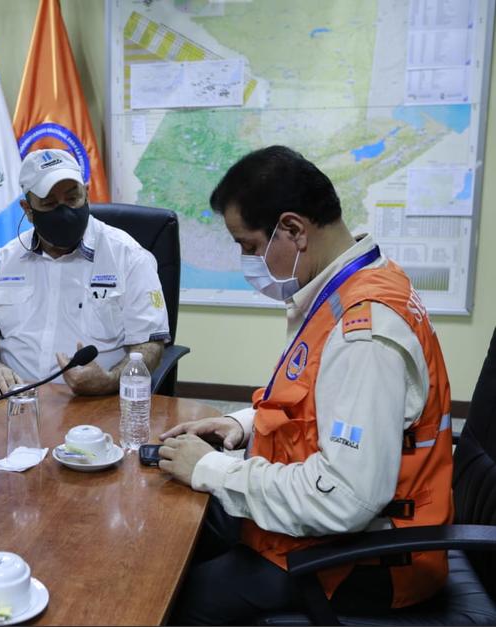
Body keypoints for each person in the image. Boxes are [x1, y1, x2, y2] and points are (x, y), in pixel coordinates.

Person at [158, 146, 453, 623]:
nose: (246, 260)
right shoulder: (351, 286)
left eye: (249, 246)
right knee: (179, 531)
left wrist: (211, 469)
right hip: (336, 534)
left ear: (293, 230)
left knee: (174, 596)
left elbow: (346, 498)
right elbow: (324, 405)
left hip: (363, 560)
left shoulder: (366, 334)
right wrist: (243, 424)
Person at [0, 149, 170, 396]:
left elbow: (149, 345)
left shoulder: (128, 256)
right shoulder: (4, 261)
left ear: (87, 194)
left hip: (95, 404)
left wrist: (109, 379)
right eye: (49, 203)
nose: (64, 212)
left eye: (73, 199)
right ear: (28, 209)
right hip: (16, 402)